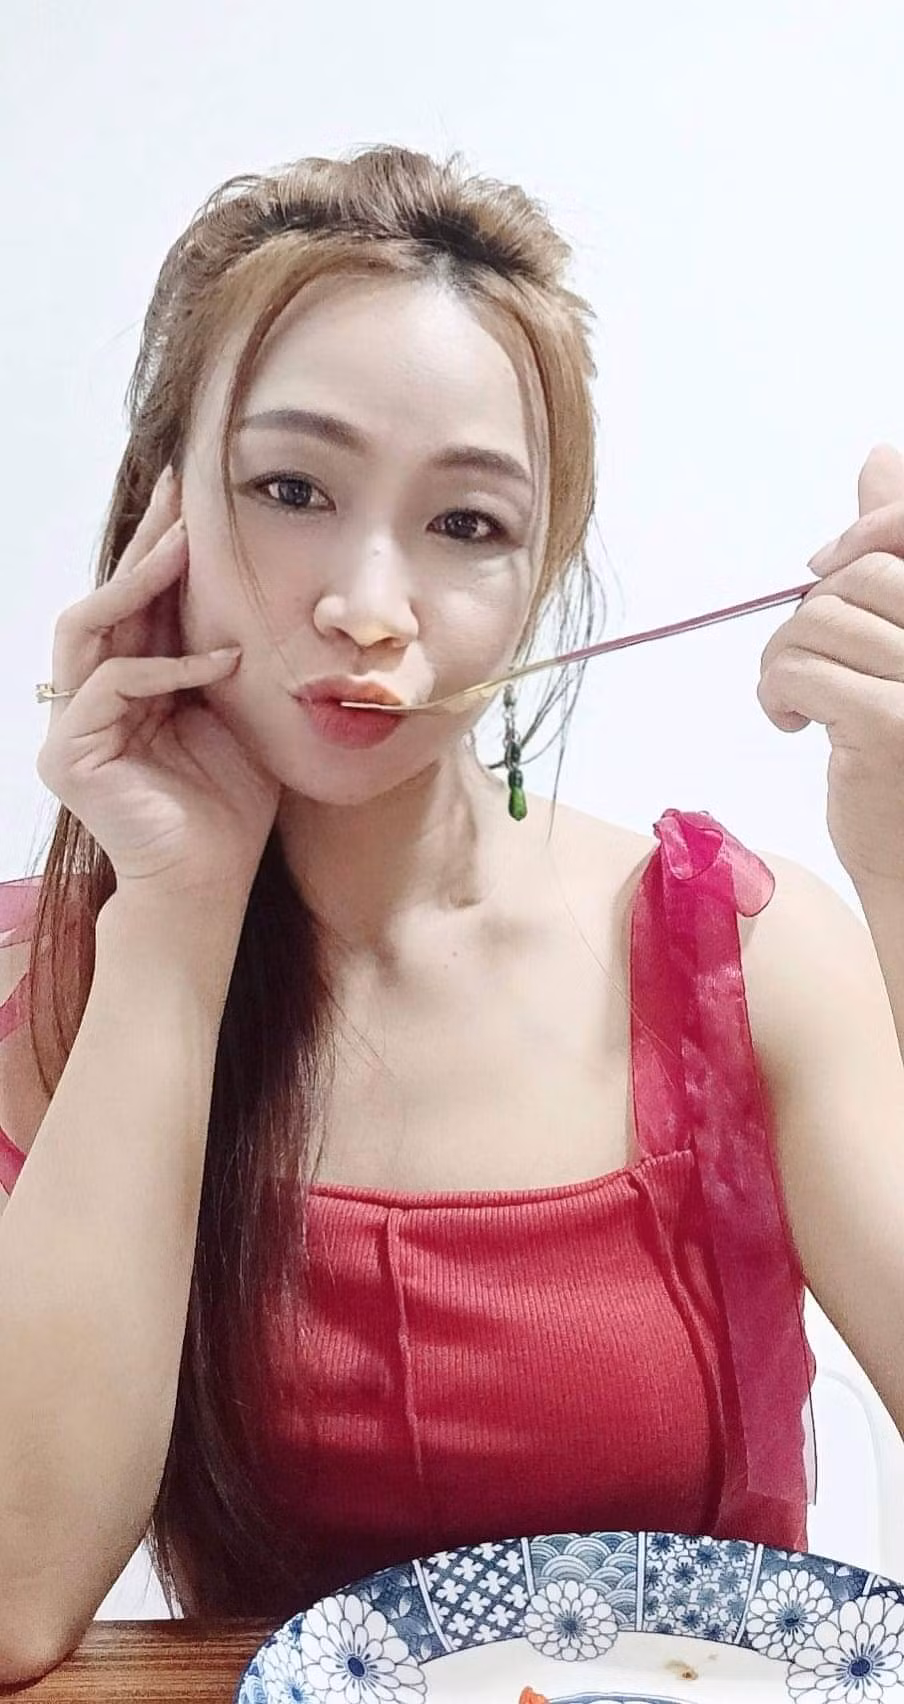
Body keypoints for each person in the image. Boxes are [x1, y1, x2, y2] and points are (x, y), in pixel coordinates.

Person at [2, 143, 903, 1680]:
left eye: (468, 525)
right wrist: (172, 921)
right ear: (164, 513)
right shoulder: (44, 987)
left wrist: (897, 856)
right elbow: (12, 1606)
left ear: (542, 577)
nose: (370, 604)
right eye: (292, 490)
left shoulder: (741, 955)